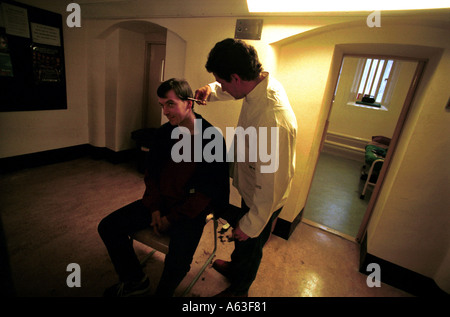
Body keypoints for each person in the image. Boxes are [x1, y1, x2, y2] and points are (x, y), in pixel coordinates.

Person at [98, 78, 229, 297]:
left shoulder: (210, 138)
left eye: (170, 104)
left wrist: (172, 218)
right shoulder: (164, 133)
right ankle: (135, 280)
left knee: (178, 260)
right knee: (108, 226)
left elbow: (207, 193)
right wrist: (155, 209)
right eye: (162, 105)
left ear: (189, 103)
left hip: (190, 212)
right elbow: (152, 176)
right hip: (161, 203)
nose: (165, 111)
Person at [195, 38, 297, 297]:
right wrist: (210, 89)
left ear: (236, 77)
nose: (222, 87)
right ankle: (235, 267)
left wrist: (251, 225)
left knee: (249, 240)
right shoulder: (260, 84)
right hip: (253, 184)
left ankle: (239, 292)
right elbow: (232, 89)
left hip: (265, 195)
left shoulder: (272, 120)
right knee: (242, 235)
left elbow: (272, 184)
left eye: (222, 81)